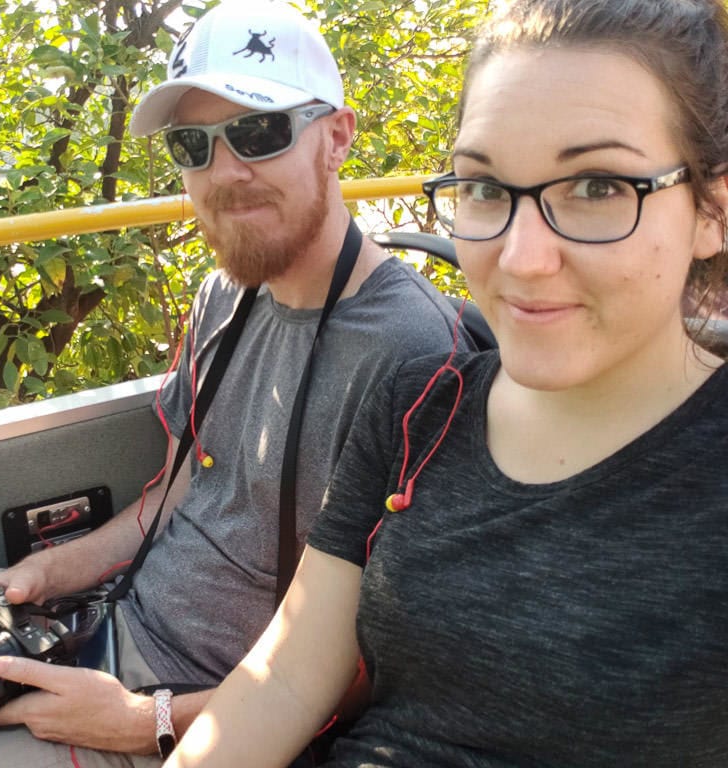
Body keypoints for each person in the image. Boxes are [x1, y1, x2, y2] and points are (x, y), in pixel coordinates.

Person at [0, 2, 471, 767]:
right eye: (192, 145)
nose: (225, 172)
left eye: (260, 131)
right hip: (102, 622)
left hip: (203, 715)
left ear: (337, 138)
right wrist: (40, 574)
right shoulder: (224, 296)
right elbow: (165, 505)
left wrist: (149, 720)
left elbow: (387, 672)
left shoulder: (412, 353)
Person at [163, 0, 728, 766]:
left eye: (595, 187)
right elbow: (286, 682)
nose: (521, 259)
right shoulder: (419, 406)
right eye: (486, 188)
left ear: (711, 213)